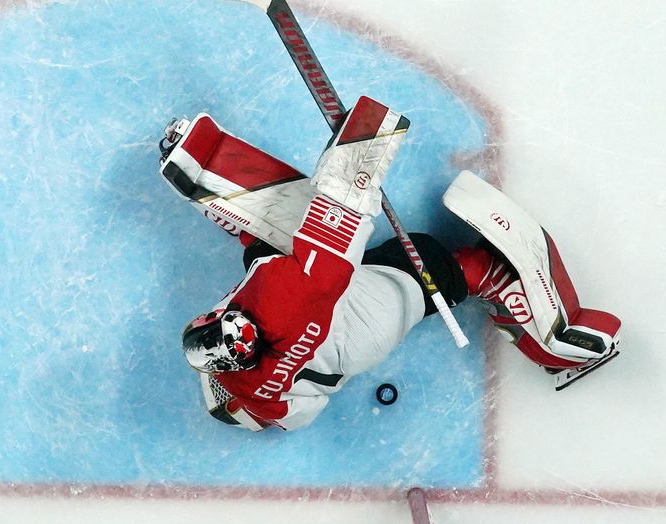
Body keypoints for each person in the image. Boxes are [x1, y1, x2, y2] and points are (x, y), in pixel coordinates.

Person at [159, 99, 621, 431]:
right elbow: (335, 236)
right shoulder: (281, 308)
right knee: (426, 268)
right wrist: (363, 151)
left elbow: (282, 277)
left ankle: (220, 185)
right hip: (361, 322)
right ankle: (507, 295)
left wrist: (203, 175)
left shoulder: (258, 375)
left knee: (265, 251)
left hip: (327, 343)